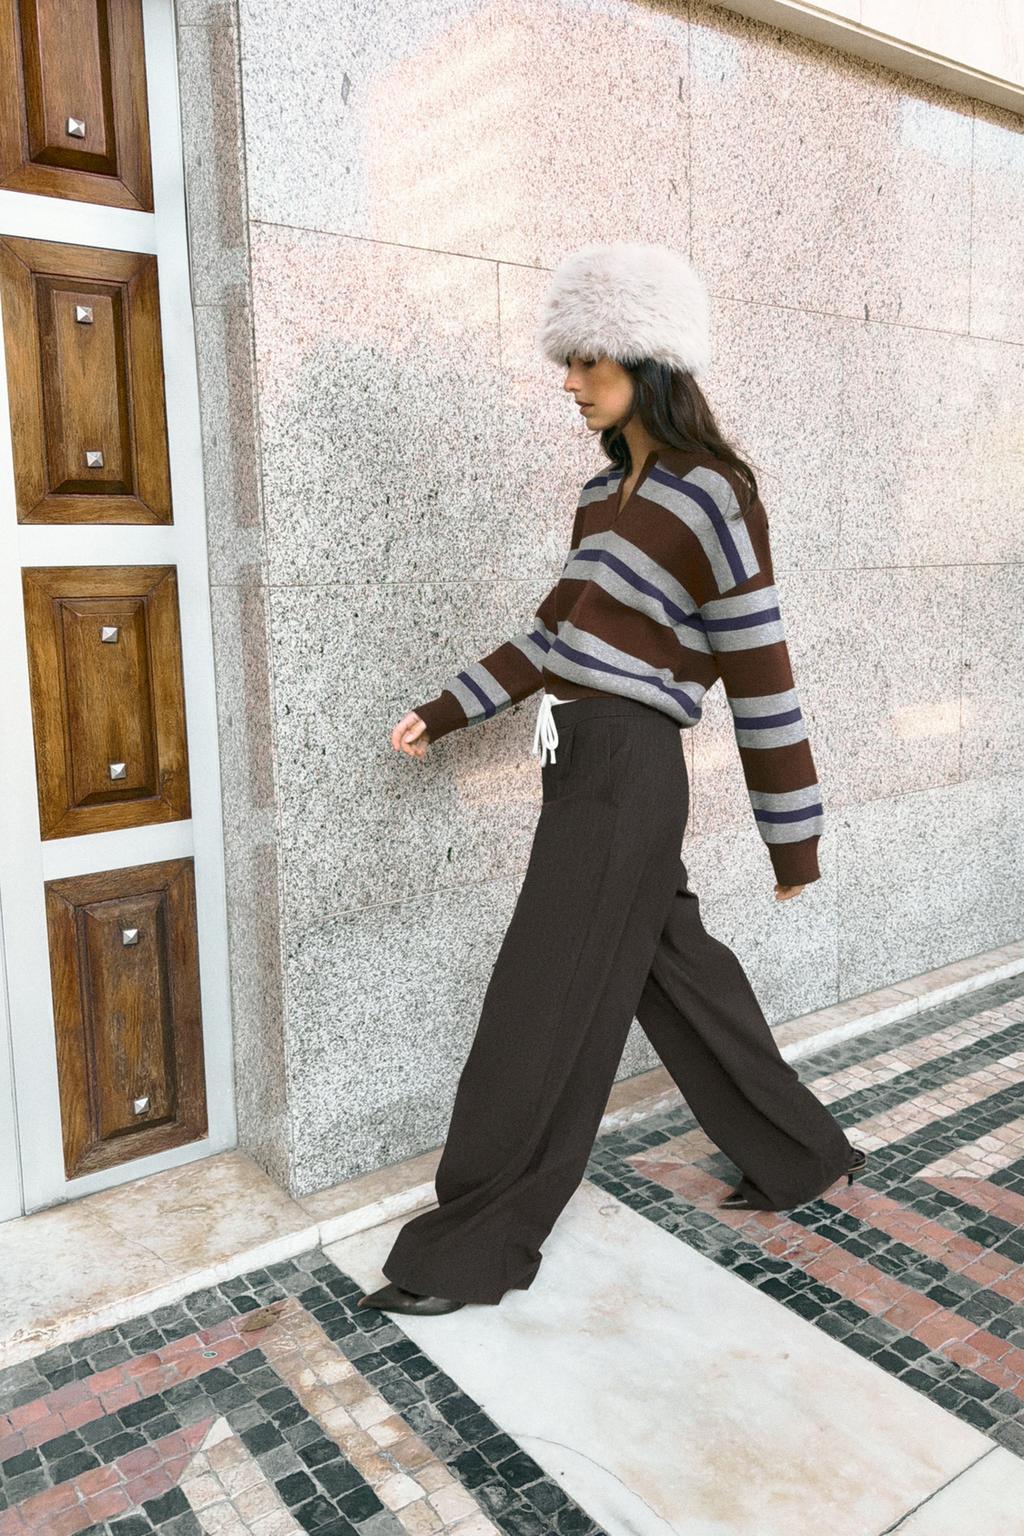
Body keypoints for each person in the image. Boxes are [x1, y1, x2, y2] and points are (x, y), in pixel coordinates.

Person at [358, 242, 864, 1318]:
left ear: (650, 362)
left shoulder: (715, 495)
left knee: (540, 999)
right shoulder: (601, 496)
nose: (572, 383)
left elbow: (758, 662)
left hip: (631, 768)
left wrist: (792, 837)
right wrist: (445, 708)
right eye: (570, 362)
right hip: (576, 759)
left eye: (590, 361)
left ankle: (471, 1246)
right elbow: (554, 634)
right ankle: (801, 1152)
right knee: (673, 971)